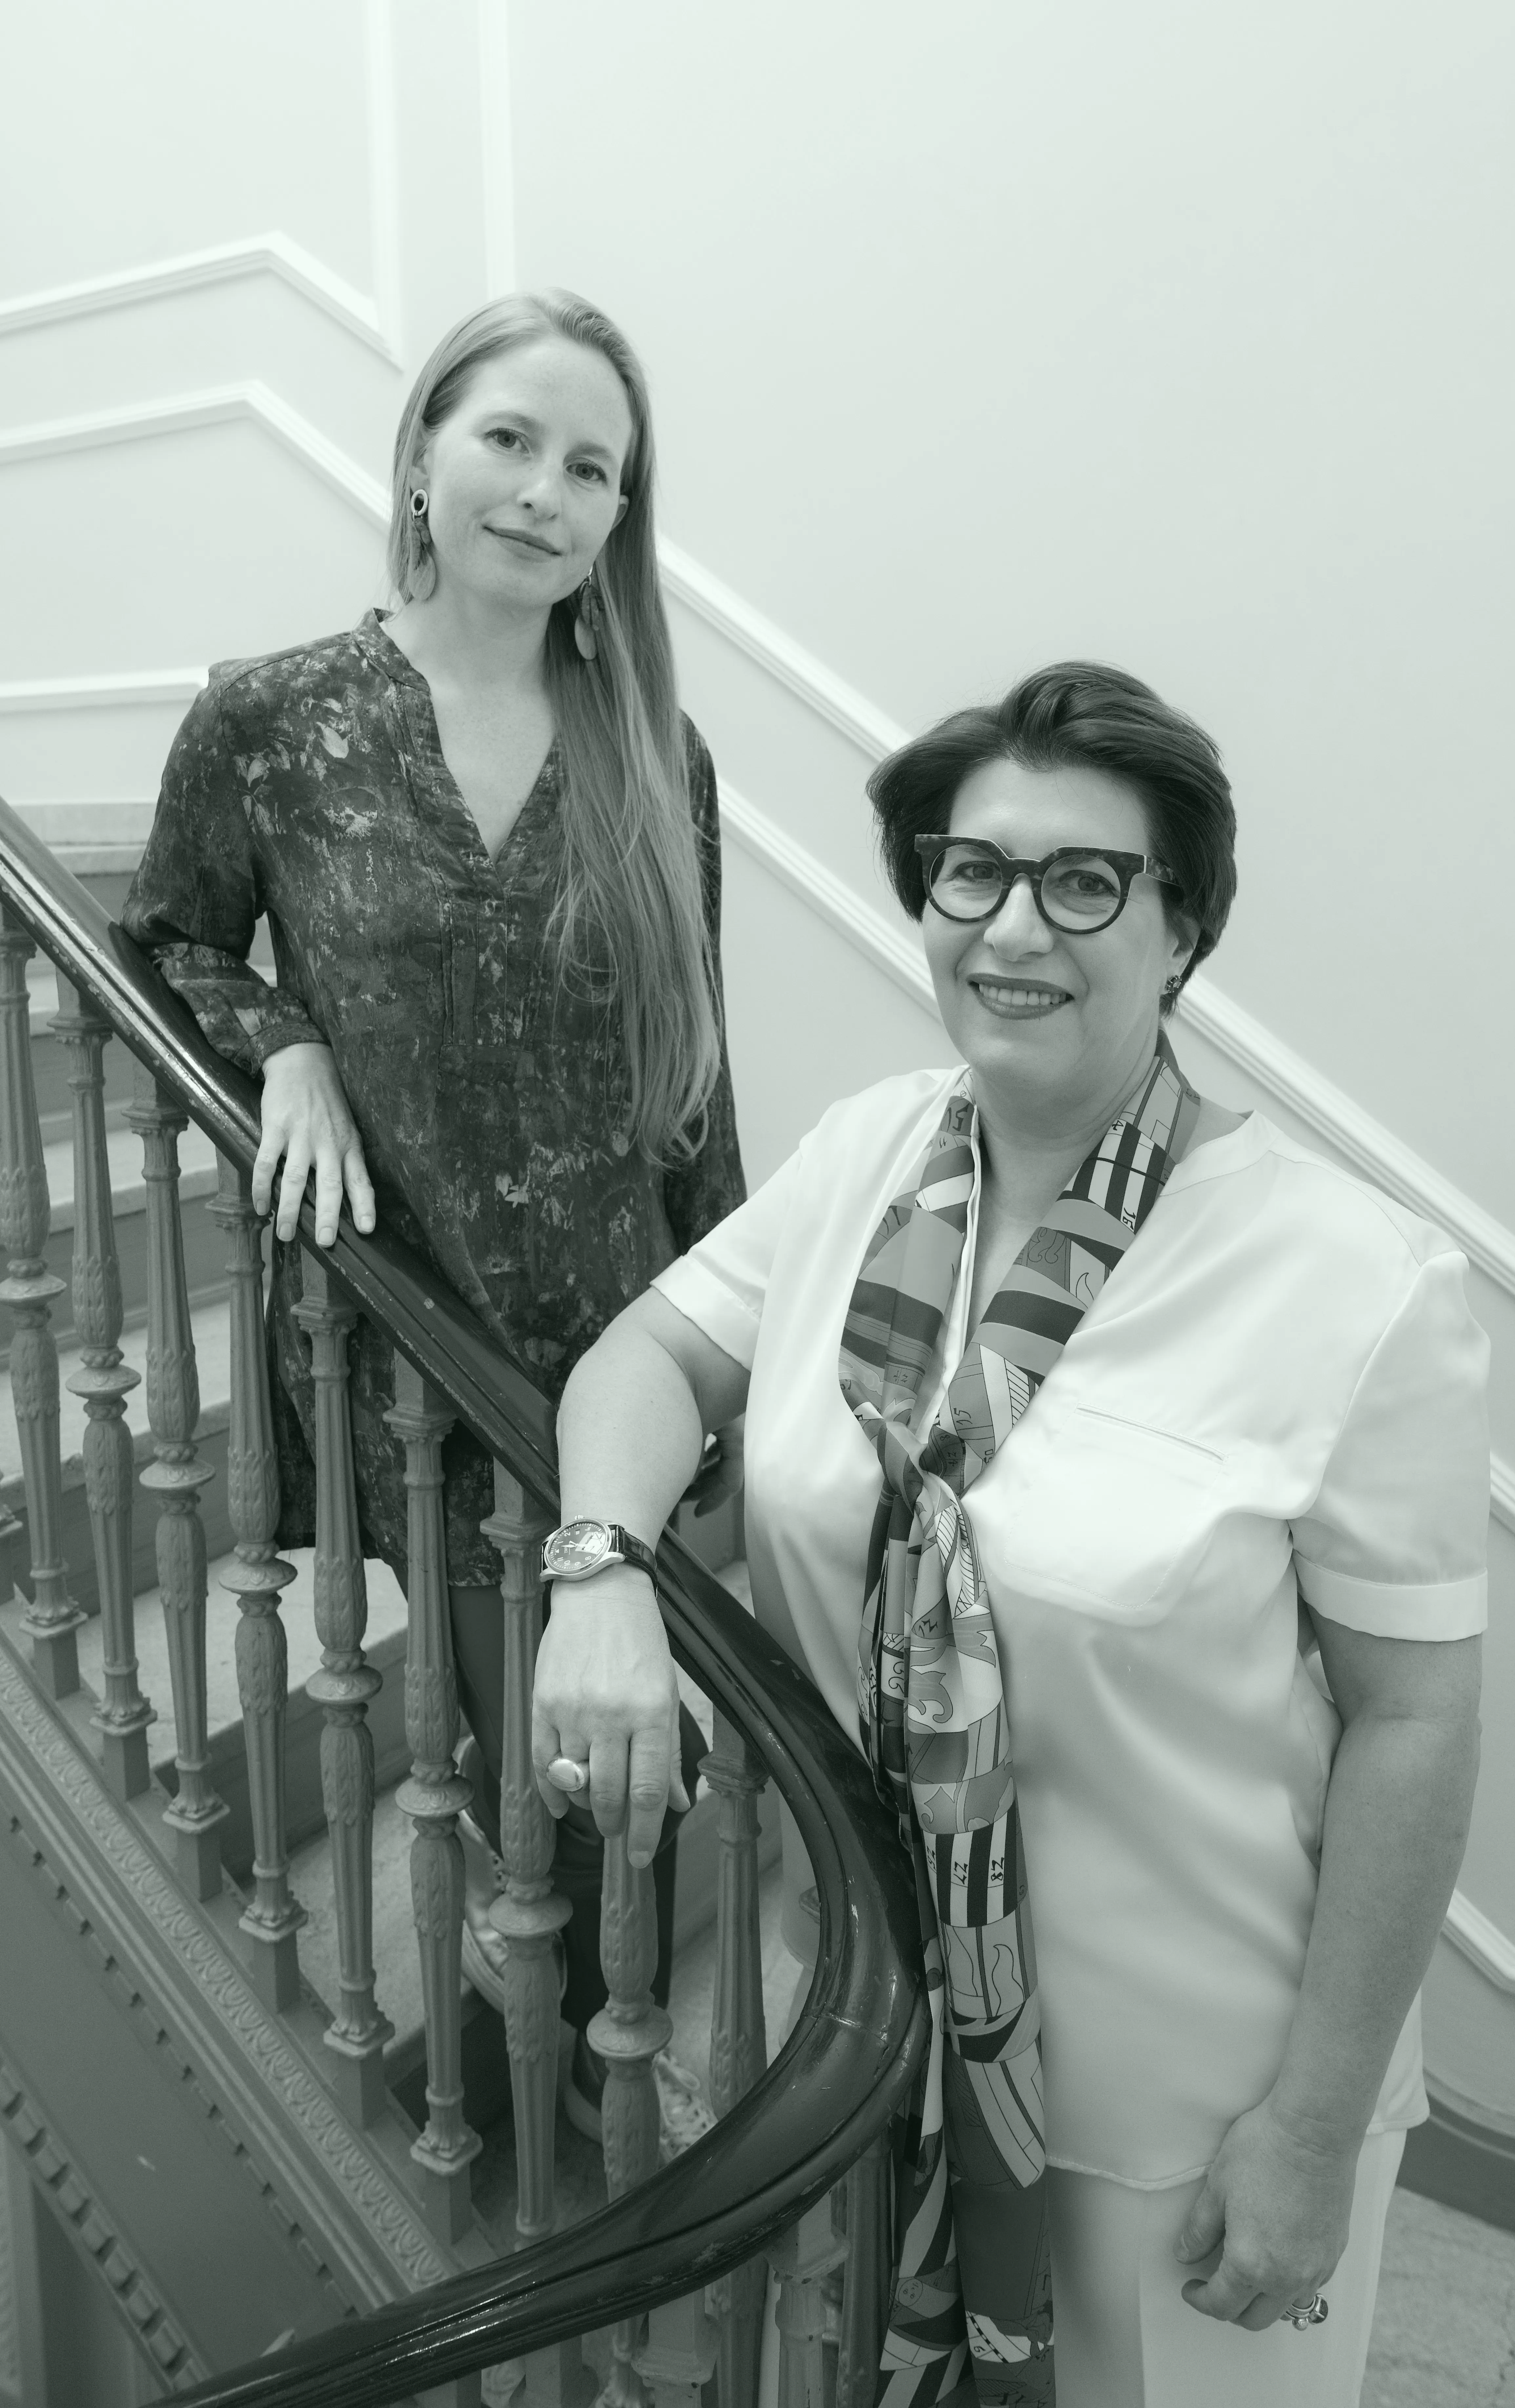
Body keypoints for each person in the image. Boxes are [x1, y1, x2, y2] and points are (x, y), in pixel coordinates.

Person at [531, 663, 1487, 2406]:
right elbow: (647, 1356)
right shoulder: (866, 1157)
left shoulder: (1360, 1283)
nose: (1012, 928)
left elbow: (1416, 1725)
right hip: (865, 2030)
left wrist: (1313, 2127)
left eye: (1084, 881)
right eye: (969, 871)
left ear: (1182, 925)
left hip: (1187, 2096)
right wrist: (601, 1570)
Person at [122, 289, 745, 2140]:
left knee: (613, 1756)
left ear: (621, 520)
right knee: (550, 1763)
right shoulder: (273, 719)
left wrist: (730, 1341)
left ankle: (521, 2044)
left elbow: (690, 1060)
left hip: (619, 1332)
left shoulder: (656, 755)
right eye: (510, 440)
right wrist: (288, 1045)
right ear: (419, 453)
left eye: (592, 469)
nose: (545, 493)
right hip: (417, 1326)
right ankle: (530, 2096)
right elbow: (164, 944)